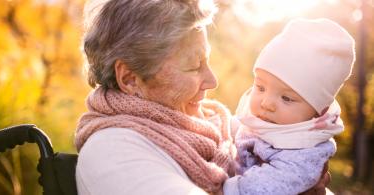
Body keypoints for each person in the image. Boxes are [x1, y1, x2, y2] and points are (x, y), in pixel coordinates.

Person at [75, 0, 330, 194]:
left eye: (207, 61)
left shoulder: (221, 128)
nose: (212, 81)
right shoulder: (113, 152)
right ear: (130, 79)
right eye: (194, 66)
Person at [224, 18, 355, 194]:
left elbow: (264, 187)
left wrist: (224, 188)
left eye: (286, 98)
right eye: (261, 87)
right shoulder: (271, 122)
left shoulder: (304, 153)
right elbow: (239, 128)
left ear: (318, 112)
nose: (266, 103)